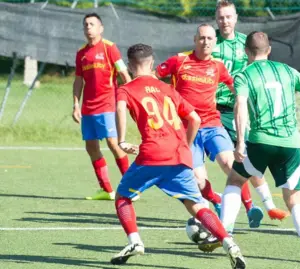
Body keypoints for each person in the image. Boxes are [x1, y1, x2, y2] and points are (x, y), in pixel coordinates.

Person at [111, 43, 245, 269]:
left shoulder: (126, 88)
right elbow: (195, 119)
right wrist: (186, 144)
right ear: (152, 63)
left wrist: (122, 140)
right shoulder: (168, 89)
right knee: (196, 205)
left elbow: (120, 108)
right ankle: (230, 244)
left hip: (153, 153)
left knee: (123, 197)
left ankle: (135, 241)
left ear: (130, 65)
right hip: (179, 155)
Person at [218, 31, 300, 263]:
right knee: (294, 199)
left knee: (236, 180)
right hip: (290, 145)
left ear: (245, 51)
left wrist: (239, 142)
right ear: (269, 50)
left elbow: (240, 105)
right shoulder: (287, 70)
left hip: (260, 142)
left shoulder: (244, 74)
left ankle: (225, 234)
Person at [156, 23, 264, 228]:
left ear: (214, 42)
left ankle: (250, 209)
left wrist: (252, 104)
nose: (205, 42)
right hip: (186, 129)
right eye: (202, 38)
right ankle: (216, 200)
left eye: (209, 39)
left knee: (231, 164)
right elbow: (153, 78)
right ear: (195, 40)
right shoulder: (179, 60)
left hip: (212, 124)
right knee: (198, 181)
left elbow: (236, 88)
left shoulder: (218, 65)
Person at [214, 0, 289, 223]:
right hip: (213, 111)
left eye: (228, 16)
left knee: (247, 161)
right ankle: (243, 208)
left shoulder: (246, 44)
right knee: (228, 162)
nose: (224, 21)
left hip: (240, 111)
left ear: (236, 18)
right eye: (220, 17)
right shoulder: (210, 43)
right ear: (216, 19)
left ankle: (269, 206)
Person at [73, 13, 132, 200]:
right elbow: (78, 80)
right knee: (91, 147)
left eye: (92, 24)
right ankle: (107, 190)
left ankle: (131, 187)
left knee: (113, 144)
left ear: (101, 28)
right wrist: (75, 104)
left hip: (108, 104)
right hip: (88, 108)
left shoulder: (110, 48)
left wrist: (132, 95)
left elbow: (124, 73)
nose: (88, 27)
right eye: (86, 25)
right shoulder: (81, 53)